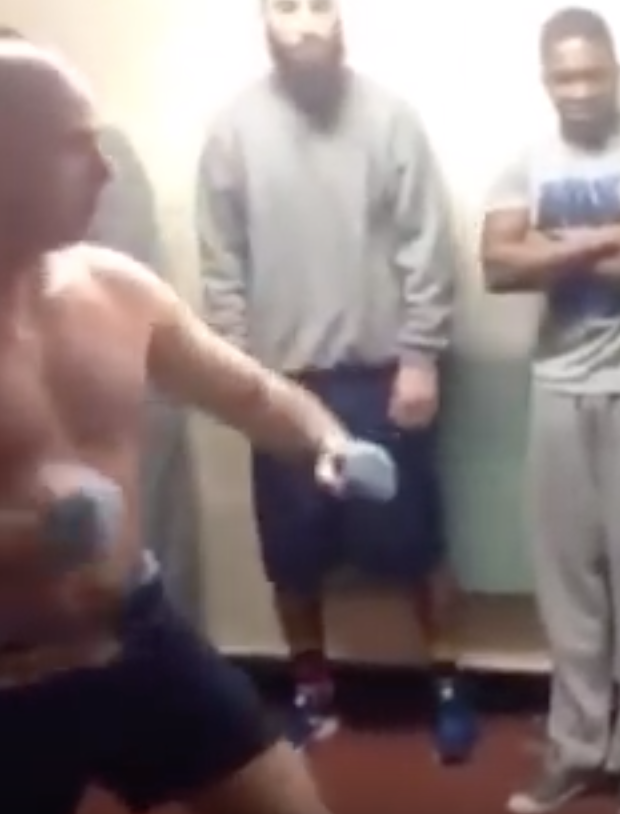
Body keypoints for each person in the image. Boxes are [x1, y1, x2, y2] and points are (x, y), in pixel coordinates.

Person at [0, 41, 388, 814]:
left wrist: (326, 440)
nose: (104, 170)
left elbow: (255, 395)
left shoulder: (118, 287)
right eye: (75, 145)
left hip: (143, 641)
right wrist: (11, 543)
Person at [197, 0, 475, 757]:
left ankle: (448, 684)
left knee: (416, 544)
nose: (306, 25)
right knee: (292, 556)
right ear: (263, 19)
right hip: (281, 385)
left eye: (319, 5)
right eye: (287, 7)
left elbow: (427, 244)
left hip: (383, 376)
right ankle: (312, 691)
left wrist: (420, 357)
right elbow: (222, 267)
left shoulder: (390, 118)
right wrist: (239, 379)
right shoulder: (232, 132)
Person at [480, 8, 620, 814]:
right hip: (557, 384)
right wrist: (610, 239)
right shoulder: (525, 159)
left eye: (592, 74)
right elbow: (496, 267)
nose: (579, 90)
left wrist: (550, 248)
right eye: (564, 77)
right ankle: (577, 749)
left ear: (614, 71)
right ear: (546, 80)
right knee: (567, 582)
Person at [0, 24, 206, 629]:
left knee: (152, 558)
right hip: (48, 406)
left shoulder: (101, 154)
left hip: (127, 387)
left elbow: (107, 282)